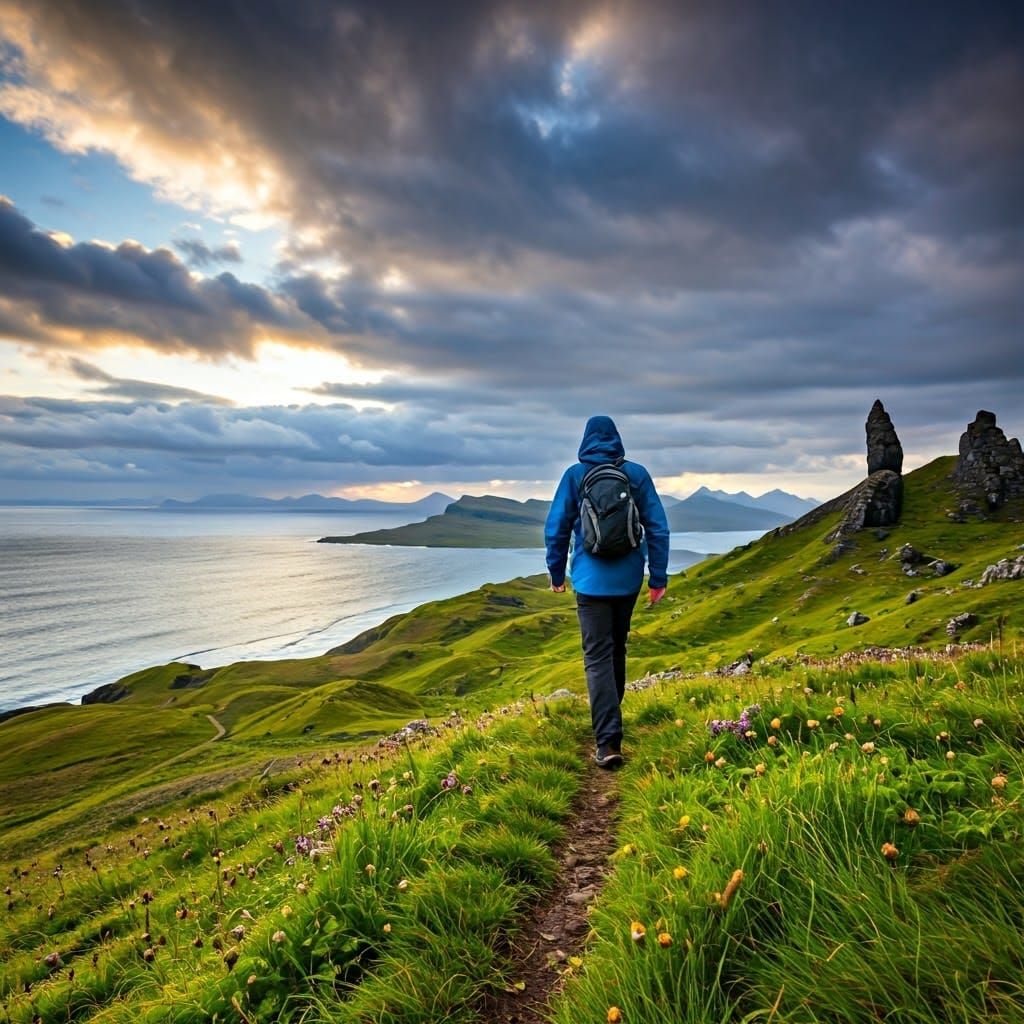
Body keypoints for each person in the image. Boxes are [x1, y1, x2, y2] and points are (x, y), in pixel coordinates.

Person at [544, 415, 669, 768]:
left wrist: (557, 573)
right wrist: (657, 578)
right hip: (628, 579)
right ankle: (611, 720)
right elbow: (658, 528)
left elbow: (555, 529)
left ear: (585, 441)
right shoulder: (636, 474)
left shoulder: (575, 476)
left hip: (589, 581)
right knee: (616, 648)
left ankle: (608, 742)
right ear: (617, 439)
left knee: (596, 656)